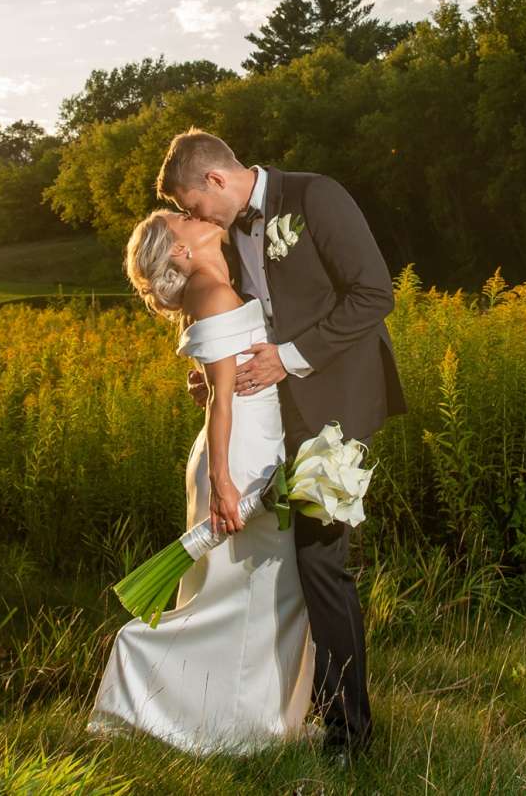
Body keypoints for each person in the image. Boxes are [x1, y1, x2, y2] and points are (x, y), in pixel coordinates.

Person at [155, 129, 406, 764]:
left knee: (323, 564)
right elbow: (246, 318)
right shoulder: (230, 231)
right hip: (275, 415)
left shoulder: (317, 197)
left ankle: (351, 734)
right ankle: (301, 705)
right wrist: (218, 372)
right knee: (292, 566)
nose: (195, 220)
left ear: (216, 180)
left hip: (339, 406)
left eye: (194, 205)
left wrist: (288, 359)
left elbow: (375, 294)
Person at [86, 206, 315, 755]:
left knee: (257, 593)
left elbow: (221, 384)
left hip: (244, 448)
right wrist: (223, 484)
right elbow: (218, 399)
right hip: (236, 460)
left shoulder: (215, 287)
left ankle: (250, 726)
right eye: (180, 219)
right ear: (181, 251)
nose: (193, 216)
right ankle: (157, 683)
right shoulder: (211, 292)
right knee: (246, 591)